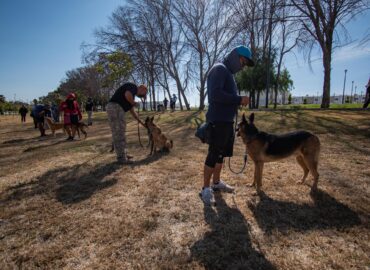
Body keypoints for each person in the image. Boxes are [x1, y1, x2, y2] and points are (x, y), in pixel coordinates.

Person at [200, 45, 254, 205]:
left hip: (227, 122)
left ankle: (216, 183)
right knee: (213, 153)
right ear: (235, 56)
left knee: (221, 155)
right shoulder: (219, 69)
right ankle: (205, 189)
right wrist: (238, 99)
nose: (243, 67)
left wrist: (236, 101)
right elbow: (215, 94)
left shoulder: (227, 73)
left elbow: (226, 96)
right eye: (243, 62)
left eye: (245, 64)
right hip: (218, 121)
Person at [106, 83, 147, 164]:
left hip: (117, 109)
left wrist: (142, 123)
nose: (143, 95)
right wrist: (134, 103)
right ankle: (121, 158)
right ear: (142, 89)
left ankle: (123, 154)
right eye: (144, 93)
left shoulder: (132, 94)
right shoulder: (133, 87)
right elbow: (127, 94)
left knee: (122, 133)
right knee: (118, 133)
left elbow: (133, 112)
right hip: (115, 107)